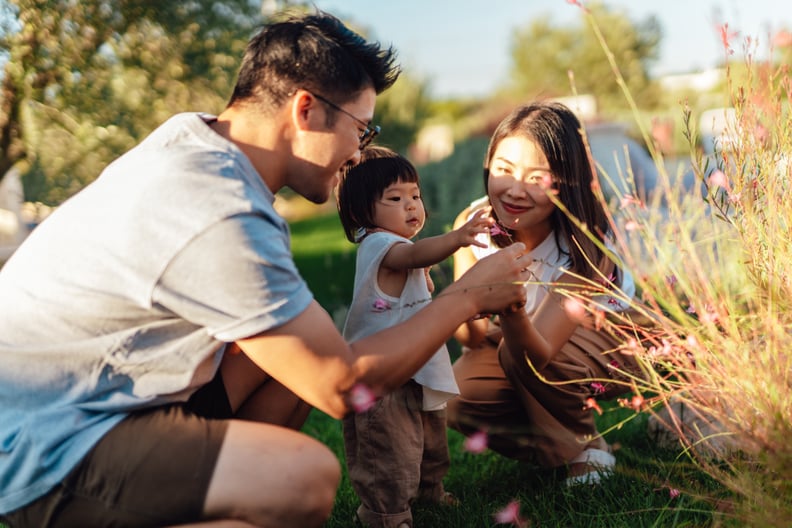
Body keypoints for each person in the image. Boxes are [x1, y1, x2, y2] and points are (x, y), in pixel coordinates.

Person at [0, 11, 533, 528]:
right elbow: (342, 386)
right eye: (361, 130)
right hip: (50, 442)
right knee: (303, 478)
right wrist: (466, 297)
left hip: (112, 394)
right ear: (305, 110)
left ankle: (211, 495)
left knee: (291, 354)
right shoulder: (217, 204)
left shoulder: (197, 141)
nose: (357, 154)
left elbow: (317, 362)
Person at [447, 101, 645, 487]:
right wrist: (469, 300)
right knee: (457, 397)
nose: (515, 190)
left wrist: (510, 303)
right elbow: (469, 338)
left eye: (537, 178)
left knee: (518, 352)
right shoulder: (473, 228)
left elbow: (539, 352)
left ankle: (584, 447)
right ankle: (569, 447)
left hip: (610, 343)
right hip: (521, 340)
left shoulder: (587, 249)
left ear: (566, 181)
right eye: (503, 170)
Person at [336, 146, 493, 528]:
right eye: (395, 198)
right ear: (361, 213)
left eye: (415, 196)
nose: (411, 206)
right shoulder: (378, 243)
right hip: (384, 376)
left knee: (428, 442)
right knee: (390, 451)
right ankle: (385, 513)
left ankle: (429, 491)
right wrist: (457, 238)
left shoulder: (400, 246)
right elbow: (416, 255)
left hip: (415, 367)